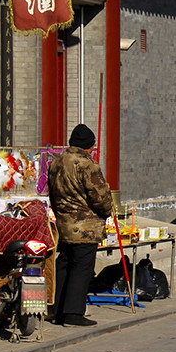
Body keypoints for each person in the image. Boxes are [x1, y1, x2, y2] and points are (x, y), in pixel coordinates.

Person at [48, 124, 113, 327]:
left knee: (64, 264)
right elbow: (100, 196)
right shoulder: (86, 164)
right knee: (82, 268)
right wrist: (107, 210)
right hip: (85, 225)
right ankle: (73, 313)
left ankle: (56, 309)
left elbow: (51, 192)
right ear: (88, 147)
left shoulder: (56, 162)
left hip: (63, 222)